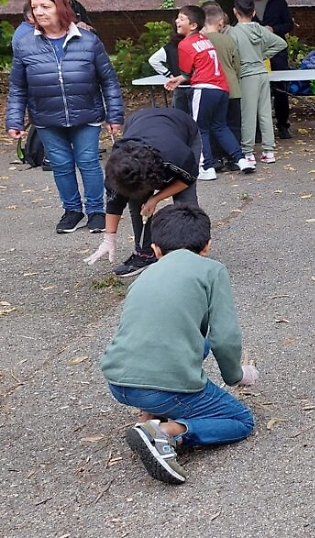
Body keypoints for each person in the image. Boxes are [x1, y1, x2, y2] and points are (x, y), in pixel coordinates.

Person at [100, 203, 259, 485]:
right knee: (241, 421)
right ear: (207, 246)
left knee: (187, 340)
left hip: (118, 381)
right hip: (162, 388)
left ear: (156, 250)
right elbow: (226, 337)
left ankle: (148, 417)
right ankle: (167, 432)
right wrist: (237, 375)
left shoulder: (144, 274)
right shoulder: (212, 270)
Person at [5, 0, 124, 234]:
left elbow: (109, 81)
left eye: (44, 7)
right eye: (35, 7)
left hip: (87, 114)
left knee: (88, 162)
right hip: (47, 118)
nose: (38, 12)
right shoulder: (25, 44)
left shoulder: (89, 40)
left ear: (60, 8)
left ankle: (96, 211)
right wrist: (14, 121)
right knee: (60, 165)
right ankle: (72, 210)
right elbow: (18, 87)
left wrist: (114, 116)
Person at [84, 107, 203, 277]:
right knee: (136, 200)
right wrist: (108, 238)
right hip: (139, 122)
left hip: (182, 127)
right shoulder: (117, 167)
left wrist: (155, 198)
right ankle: (145, 254)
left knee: (185, 202)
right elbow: (114, 201)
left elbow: (186, 180)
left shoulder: (176, 156)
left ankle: (192, 252)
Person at [164, 5, 255, 180]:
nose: (177, 21)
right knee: (220, 126)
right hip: (222, 88)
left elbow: (186, 71)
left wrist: (180, 77)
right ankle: (241, 159)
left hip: (204, 89)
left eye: (181, 18)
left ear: (192, 25)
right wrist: (181, 78)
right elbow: (193, 70)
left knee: (199, 128)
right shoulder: (204, 40)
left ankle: (207, 167)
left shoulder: (185, 44)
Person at [227, 0, 287, 165]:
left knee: (248, 115)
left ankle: (248, 152)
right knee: (265, 113)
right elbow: (281, 44)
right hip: (262, 73)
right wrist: (262, 56)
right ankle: (269, 150)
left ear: (234, 12)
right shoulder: (260, 29)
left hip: (246, 75)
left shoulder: (233, 32)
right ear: (253, 12)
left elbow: (232, 56)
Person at [244, 0, 294, 138]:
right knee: (255, 88)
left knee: (280, 87)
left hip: (277, 50)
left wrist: (273, 29)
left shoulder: (277, 1)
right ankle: (257, 129)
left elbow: (289, 24)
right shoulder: (243, 3)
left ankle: (282, 124)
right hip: (253, 51)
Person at [202, 3, 243, 171]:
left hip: (210, 88)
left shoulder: (200, 41)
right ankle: (234, 159)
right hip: (231, 87)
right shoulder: (228, 39)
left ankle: (216, 158)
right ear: (220, 22)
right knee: (233, 124)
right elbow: (237, 64)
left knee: (213, 125)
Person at [148, 31, 187, 113]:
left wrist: (169, 75)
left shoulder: (169, 47)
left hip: (179, 87)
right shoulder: (197, 44)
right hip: (196, 86)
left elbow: (153, 60)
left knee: (179, 118)